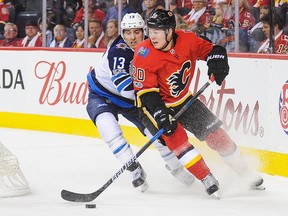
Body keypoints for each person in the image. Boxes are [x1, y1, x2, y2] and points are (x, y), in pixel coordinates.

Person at [132, 9, 264, 196]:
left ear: (170, 31)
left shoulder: (188, 40)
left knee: (217, 135)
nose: (152, 36)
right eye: (150, 30)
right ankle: (206, 177)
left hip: (184, 99)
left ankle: (245, 172)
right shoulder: (143, 53)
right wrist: (161, 114)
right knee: (178, 141)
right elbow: (146, 93)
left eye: (157, 31)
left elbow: (213, 50)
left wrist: (217, 61)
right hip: (154, 106)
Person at [86, 12, 195, 192]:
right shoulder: (119, 50)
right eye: (127, 33)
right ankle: (134, 169)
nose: (132, 37)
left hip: (132, 100)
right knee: (108, 128)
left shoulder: (152, 46)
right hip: (102, 94)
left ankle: (176, 168)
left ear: (143, 31)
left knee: (158, 134)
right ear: (122, 33)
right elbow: (126, 89)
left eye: (136, 32)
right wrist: (155, 102)